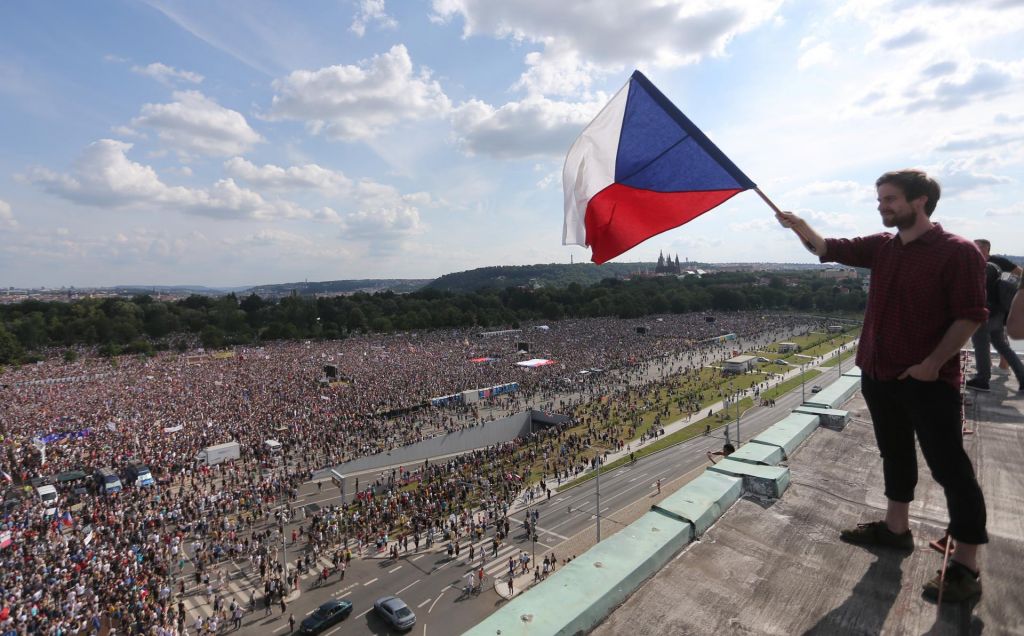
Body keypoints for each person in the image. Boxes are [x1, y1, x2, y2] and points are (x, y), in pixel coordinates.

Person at [776, 169, 987, 603]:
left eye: (890, 199)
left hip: (925, 381)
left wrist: (932, 364)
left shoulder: (958, 252)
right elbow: (827, 248)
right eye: (880, 199)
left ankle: (967, 564)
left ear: (921, 200)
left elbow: (970, 316)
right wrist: (799, 226)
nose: (882, 206)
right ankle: (896, 529)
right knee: (894, 452)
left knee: (951, 470)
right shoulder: (883, 247)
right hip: (876, 373)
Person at [966, 239, 1024, 393]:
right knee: (1002, 345)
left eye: (975, 246)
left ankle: (982, 380)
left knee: (980, 344)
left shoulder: (987, 265)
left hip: (986, 311)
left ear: (984, 249)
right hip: (998, 311)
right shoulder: (993, 265)